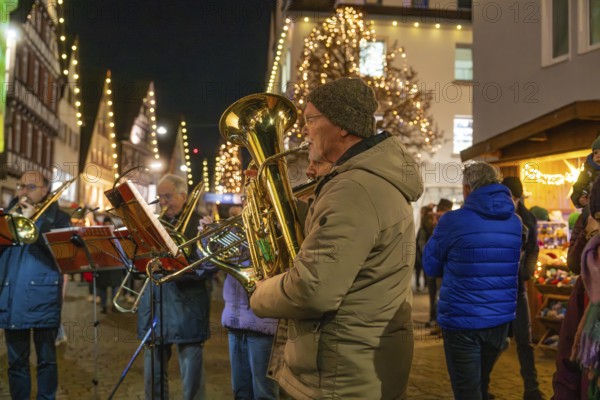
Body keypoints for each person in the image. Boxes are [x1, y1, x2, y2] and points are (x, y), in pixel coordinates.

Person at [249, 77, 424, 399]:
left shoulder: (353, 189)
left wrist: (259, 293)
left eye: (310, 120)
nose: (303, 131)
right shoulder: (360, 183)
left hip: (339, 376)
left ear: (342, 125)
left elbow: (312, 290)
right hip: (346, 367)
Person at [423, 162, 522, 400]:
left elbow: (430, 265)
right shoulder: (515, 222)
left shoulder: (452, 221)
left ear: (467, 189)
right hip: (499, 319)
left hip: (462, 320)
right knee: (481, 383)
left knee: (467, 391)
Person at [137, 174, 209, 400]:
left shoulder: (200, 224)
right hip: (156, 305)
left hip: (187, 307)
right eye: (160, 197)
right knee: (152, 378)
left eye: (167, 196)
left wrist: (173, 270)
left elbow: (205, 267)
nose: (163, 201)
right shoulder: (156, 225)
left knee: (192, 380)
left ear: (184, 196)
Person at [0, 171, 71, 399]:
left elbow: (63, 254)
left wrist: (37, 226)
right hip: (12, 296)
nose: (23, 191)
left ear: (45, 191)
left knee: (47, 360)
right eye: (21, 186)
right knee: (16, 362)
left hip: (44, 297)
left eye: (30, 187)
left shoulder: (59, 218)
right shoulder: (9, 216)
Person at [220, 205, 279, 400]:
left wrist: (243, 238)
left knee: (264, 393)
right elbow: (205, 268)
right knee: (240, 392)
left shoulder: (274, 227)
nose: (245, 204)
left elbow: (269, 261)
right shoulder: (235, 231)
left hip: (262, 323)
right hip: (235, 321)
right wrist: (211, 240)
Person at [501, 177, 545, 400]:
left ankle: (532, 387)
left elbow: (534, 248)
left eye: (513, 197)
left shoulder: (528, 218)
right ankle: (480, 385)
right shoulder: (497, 217)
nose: (510, 201)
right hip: (497, 289)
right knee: (495, 342)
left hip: (518, 288)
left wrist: (526, 271)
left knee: (524, 341)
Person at [571, 137, 600, 208]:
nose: (598, 155)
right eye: (595, 153)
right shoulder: (585, 174)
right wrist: (579, 199)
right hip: (590, 208)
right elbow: (577, 189)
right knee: (583, 217)